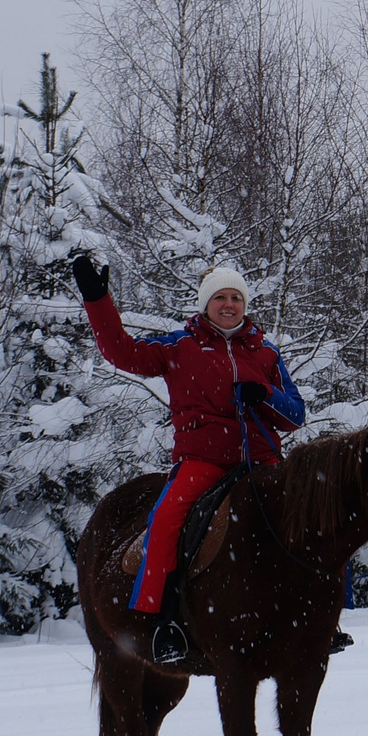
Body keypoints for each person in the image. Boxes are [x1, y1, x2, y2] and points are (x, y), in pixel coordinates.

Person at [71, 254, 304, 667]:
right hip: (204, 460)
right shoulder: (180, 346)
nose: (229, 304)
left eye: (236, 297)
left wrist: (264, 395)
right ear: (205, 304)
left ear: (245, 305)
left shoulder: (266, 354)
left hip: (263, 461)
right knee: (166, 519)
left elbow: (295, 416)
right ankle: (162, 622)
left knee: (313, 510)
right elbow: (121, 353)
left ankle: (321, 617)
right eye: (220, 298)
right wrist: (97, 300)